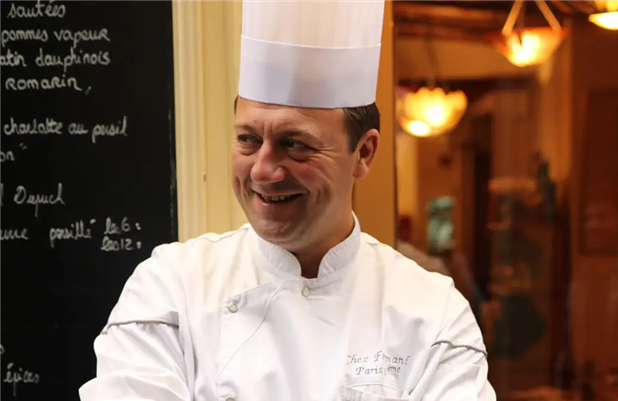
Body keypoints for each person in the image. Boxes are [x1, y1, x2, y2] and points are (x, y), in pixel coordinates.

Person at [77, 1, 495, 400]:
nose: (263, 171)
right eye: (248, 139)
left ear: (363, 153)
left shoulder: (434, 313)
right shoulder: (171, 290)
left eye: (295, 144)